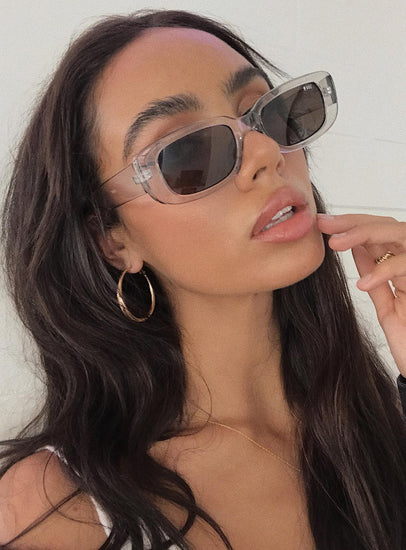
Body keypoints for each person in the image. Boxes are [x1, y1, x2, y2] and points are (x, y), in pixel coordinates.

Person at [0, 8, 406, 550]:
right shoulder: (58, 508)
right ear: (111, 240)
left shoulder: (385, 428)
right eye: (188, 154)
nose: (267, 153)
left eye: (270, 115)